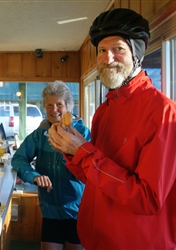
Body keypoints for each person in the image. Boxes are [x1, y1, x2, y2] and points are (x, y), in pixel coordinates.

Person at [48, 8, 176, 250]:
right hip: (95, 240)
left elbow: (148, 199)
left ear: (137, 54)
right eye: (102, 51)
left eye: (118, 49)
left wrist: (84, 152)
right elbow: (95, 177)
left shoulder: (163, 112)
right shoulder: (104, 111)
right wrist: (71, 149)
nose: (108, 58)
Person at [11, 80, 90, 250]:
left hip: (76, 210)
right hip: (49, 209)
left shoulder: (82, 133)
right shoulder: (40, 134)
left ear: (68, 106)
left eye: (59, 104)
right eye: (49, 105)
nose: (54, 110)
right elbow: (18, 159)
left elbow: (91, 168)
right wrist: (33, 176)